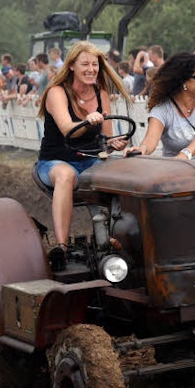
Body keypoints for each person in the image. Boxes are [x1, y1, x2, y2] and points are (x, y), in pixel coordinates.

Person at [36, 41, 130, 262]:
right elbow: (69, 130)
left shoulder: (101, 93)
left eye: (95, 65)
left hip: (91, 161)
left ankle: (115, 241)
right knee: (65, 175)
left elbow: (106, 139)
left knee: (123, 175)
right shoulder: (56, 93)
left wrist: (115, 142)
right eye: (85, 64)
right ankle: (62, 246)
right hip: (56, 161)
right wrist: (87, 122)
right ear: (71, 66)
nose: (91, 69)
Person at [130, 52, 195, 163]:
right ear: (183, 81)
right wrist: (142, 150)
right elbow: (150, 140)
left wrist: (184, 155)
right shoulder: (161, 109)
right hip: (176, 173)